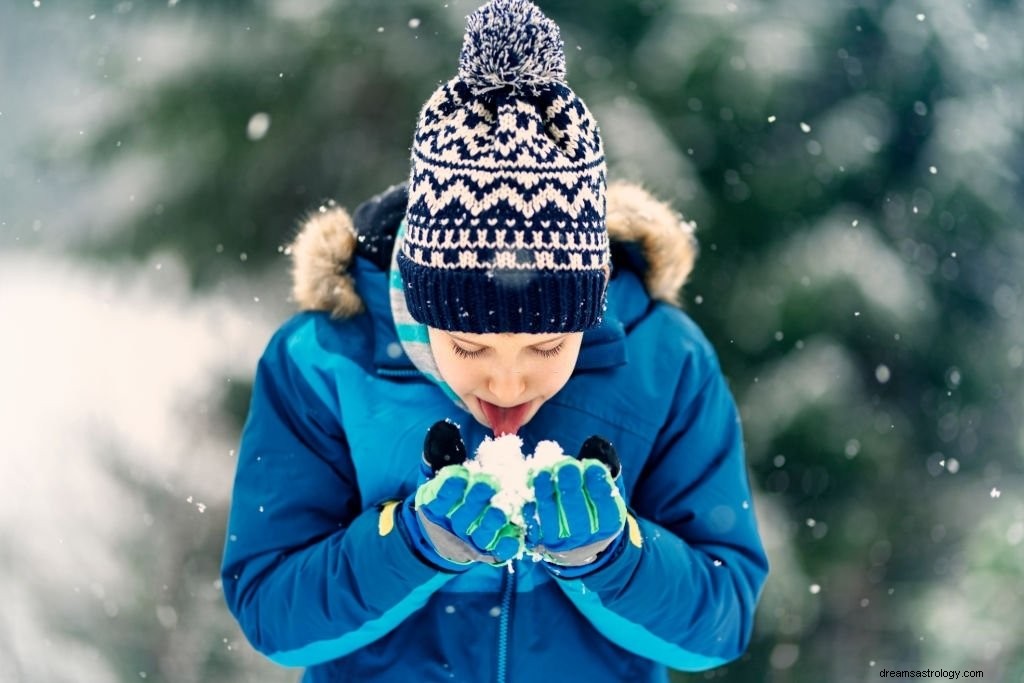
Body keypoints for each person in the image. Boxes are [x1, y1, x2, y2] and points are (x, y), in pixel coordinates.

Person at [221, 1, 768, 681]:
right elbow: (272, 611)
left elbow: (723, 617)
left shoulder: (668, 362)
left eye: (545, 347)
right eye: (470, 347)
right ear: (420, 305)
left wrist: (614, 555)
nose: (507, 386)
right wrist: (412, 543)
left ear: (589, 304)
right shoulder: (323, 363)